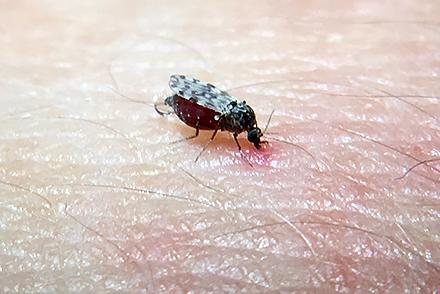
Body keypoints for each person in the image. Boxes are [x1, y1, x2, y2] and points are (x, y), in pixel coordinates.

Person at [1, 1, 438, 292]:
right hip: (207, 111)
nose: (252, 139)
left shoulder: (241, 124)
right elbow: (211, 119)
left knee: (206, 125)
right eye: (252, 138)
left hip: (212, 111)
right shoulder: (233, 123)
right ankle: (176, 109)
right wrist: (199, 124)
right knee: (203, 125)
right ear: (245, 131)